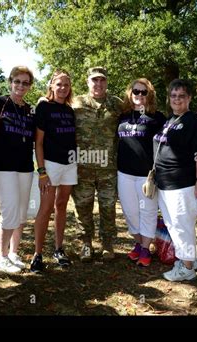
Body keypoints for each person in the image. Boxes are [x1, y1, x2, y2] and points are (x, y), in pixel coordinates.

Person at [155, 79, 197, 282]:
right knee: (173, 224)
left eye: (181, 96)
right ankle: (190, 259)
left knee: (181, 225)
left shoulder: (193, 121)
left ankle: (187, 269)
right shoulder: (170, 120)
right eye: (173, 95)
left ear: (189, 98)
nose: (177, 99)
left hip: (182, 184)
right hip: (165, 183)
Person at [71, 67, 123, 261]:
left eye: (102, 80)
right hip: (82, 166)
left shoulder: (117, 104)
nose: (98, 84)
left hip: (108, 167)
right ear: (88, 82)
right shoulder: (76, 103)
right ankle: (85, 243)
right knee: (83, 206)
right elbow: (55, 107)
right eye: (94, 80)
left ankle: (107, 243)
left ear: (106, 82)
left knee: (108, 206)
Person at [30, 69, 77, 273]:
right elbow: (38, 142)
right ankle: (37, 254)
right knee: (46, 208)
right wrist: (42, 171)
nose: (63, 88)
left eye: (66, 85)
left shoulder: (70, 110)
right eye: (59, 84)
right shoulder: (44, 107)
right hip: (50, 164)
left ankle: (58, 249)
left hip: (70, 164)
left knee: (61, 205)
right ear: (51, 86)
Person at [0, 66, 36, 273]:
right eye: (17, 81)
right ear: (10, 82)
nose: (20, 86)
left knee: (21, 212)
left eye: (25, 83)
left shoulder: (30, 109)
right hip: (2, 167)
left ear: (30, 86)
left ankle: (13, 253)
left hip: (25, 167)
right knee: (9, 210)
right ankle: (1, 256)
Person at [117, 78, 165, 267]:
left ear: (149, 95)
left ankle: (145, 248)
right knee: (130, 212)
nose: (139, 95)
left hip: (147, 175)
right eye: (136, 91)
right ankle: (138, 242)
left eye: (143, 92)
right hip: (124, 173)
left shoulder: (157, 118)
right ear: (130, 93)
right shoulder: (123, 116)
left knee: (148, 211)